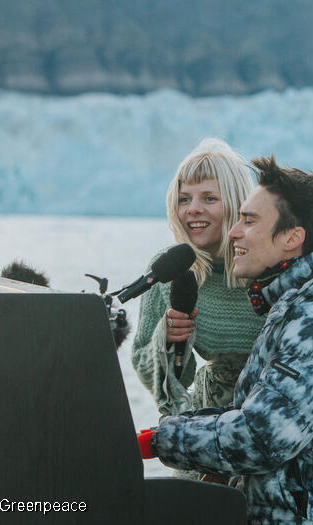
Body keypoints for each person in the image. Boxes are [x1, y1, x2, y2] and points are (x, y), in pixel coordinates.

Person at [137, 156, 313, 524]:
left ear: (292, 238)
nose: (234, 232)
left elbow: (261, 437)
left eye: (249, 221)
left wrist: (153, 442)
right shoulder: (299, 306)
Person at [131, 138, 266, 419]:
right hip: (208, 419)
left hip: (273, 416)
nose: (192, 209)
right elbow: (145, 363)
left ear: (238, 203)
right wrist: (166, 339)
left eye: (209, 198)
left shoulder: (270, 267)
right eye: (184, 198)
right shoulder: (170, 270)